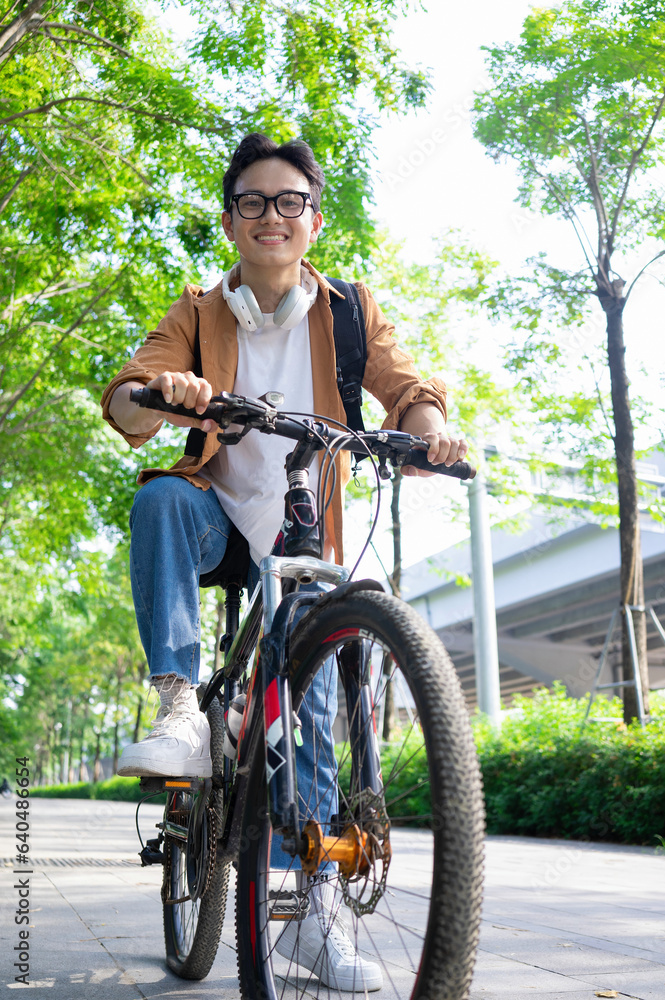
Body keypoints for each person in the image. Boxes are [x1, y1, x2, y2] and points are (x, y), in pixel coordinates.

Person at [101, 132, 467, 990]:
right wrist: (168, 394)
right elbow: (128, 394)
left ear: (312, 219)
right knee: (157, 498)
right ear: (231, 221)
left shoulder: (348, 309)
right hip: (218, 517)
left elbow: (408, 392)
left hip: (305, 530)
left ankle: (303, 913)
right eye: (254, 202)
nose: (272, 216)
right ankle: (181, 706)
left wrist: (428, 435)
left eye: (290, 201)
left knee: (302, 716)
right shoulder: (198, 310)